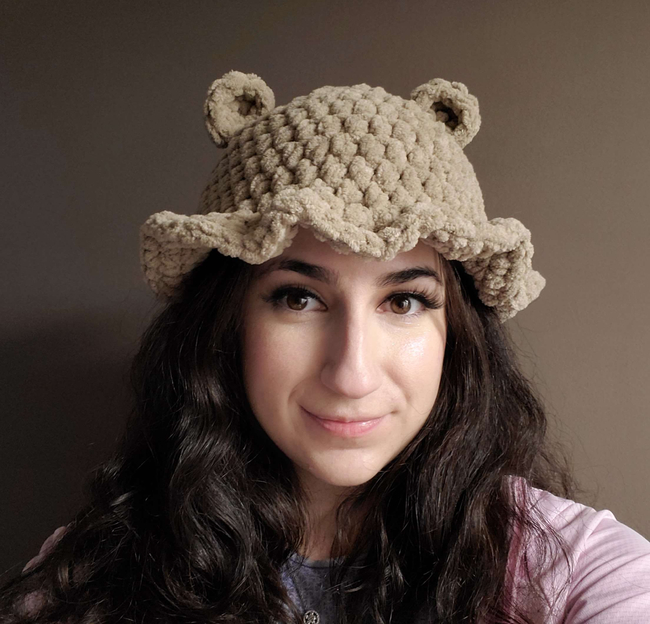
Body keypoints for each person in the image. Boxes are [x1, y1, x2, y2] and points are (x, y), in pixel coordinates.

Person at [2, 71, 649, 624]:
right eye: (298, 298)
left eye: (404, 301)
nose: (352, 374)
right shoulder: (99, 573)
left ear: (457, 332)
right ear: (225, 322)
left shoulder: (569, 567)